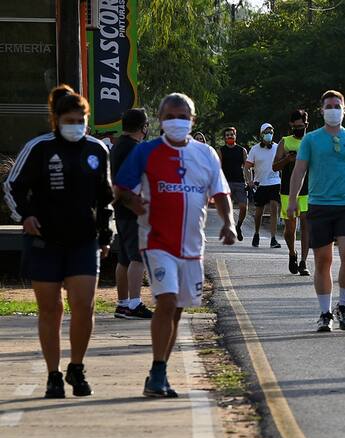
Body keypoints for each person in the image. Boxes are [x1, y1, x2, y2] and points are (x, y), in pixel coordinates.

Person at [114, 92, 237, 398]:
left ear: (193, 120)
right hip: (156, 241)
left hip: (192, 246)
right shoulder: (146, 152)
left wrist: (229, 223)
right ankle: (157, 371)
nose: (176, 122)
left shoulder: (206, 154)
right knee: (166, 302)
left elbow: (220, 193)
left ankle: (160, 371)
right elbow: (121, 187)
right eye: (169, 117)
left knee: (177, 310)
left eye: (182, 117)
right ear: (159, 120)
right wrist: (133, 203)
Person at [4, 85, 114, 398]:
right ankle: (53, 374)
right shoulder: (39, 148)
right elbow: (12, 186)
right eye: (69, 121)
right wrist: (25, 216)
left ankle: (76, 367)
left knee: (84, 306)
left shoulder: (97, 150)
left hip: (83, 241)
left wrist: (105, 234)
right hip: (45, 241)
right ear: (56, 120)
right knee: (50, 309)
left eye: (80, 120)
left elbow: (105, 197)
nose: (75, 126)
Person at [286, 90, 345, 333]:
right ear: (321, 111)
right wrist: (292, 201)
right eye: (329, 106)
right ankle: (325, 313)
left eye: (337, 106)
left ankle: (344, 306)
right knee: (323, 261)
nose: (333, 110)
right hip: (319, 206)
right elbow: (299, 171)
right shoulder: (311, 140)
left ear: (344, 110)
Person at [109, 106, 153, 320]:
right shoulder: (135, 149)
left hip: (121, 209)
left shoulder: (118, 146)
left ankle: (123, 303)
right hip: (133, 207)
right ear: (143, 127)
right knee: (138, 256)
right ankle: (134, 303)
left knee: (125, 258)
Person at [274, 109, 312, 276]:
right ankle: (292, 253)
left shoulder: (311, 141)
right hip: (287, 191)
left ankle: (303, 261)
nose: (298, 129)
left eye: (301, 126)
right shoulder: (285, 142)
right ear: (291, 125)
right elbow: (274, 167)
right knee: (290, 230)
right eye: (295, 127)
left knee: (306, 226)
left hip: (308, 190)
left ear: (306, 125)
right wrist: (287, 159)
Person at [247, 122, 282, 249]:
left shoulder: (278, 147)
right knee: (259, 212)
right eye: (267, 132)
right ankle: (256, 233)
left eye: (271, 132)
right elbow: (247, 167)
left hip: (275, 182)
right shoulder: (255, 149)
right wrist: (249, 181)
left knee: (274, 207)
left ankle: (273, 238)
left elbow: (282, 164)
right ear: (261, 134)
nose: (269, 134)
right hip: (260, 183)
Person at [219, 126, 250, 240]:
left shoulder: (242, 150)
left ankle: (238, 226)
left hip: (240, 182)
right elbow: (218, 168)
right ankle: (229, 225)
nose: (230, 137)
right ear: (225, 138)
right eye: (227, 135)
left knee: (243, 207)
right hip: (226, 183)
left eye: (231, 134)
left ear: (235, 136)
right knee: (227, 208)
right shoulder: (221, 150)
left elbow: (247, 168)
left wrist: (249, 181)